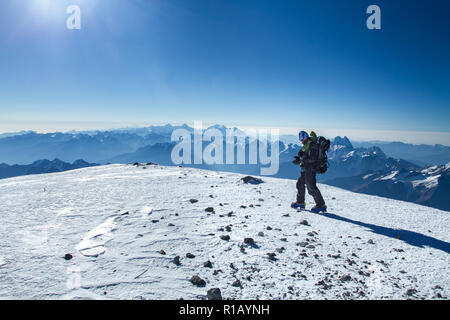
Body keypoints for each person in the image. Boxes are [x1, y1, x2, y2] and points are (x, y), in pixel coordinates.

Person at [291, 130, 327, 213]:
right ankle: (300, 202)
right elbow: (306, 156)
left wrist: (302, 158)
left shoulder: (312, 145)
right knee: (300, 184)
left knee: (311, 187)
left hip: (310, 170)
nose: (301, 140)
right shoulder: (307, 145)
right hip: (306, 169)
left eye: (302, 138)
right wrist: (299, 159)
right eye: (300, 138)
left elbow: (312, 158)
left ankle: (321, 205)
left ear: (306, 137)